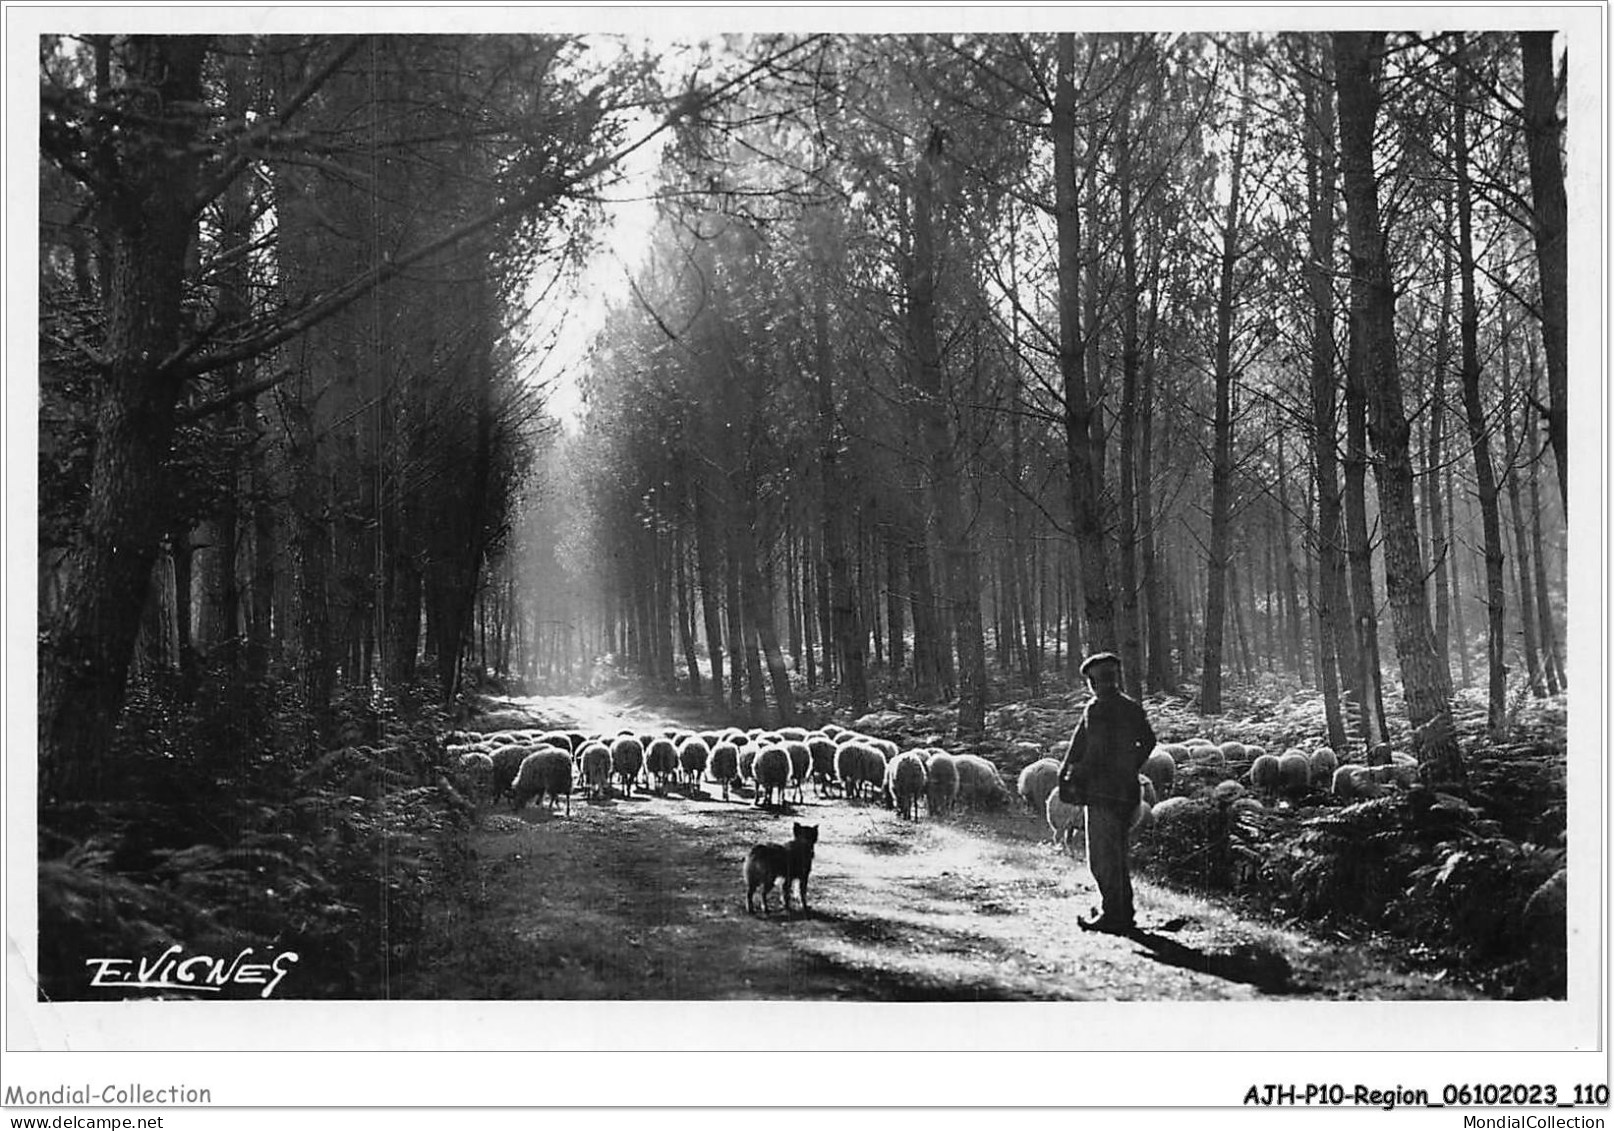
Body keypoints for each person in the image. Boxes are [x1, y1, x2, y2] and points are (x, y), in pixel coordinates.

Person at [1057, 651, 1156, 934]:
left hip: (1103, 793)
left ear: (1093, 681)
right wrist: (1130, 766)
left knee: (1102, 857)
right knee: (1116, 854)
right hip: (1124, 791)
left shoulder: (1098, 709)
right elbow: (1148, 741)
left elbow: (1087, 749)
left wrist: (1071, 774)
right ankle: (1122, 912)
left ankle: (1114, 915)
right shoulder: (1129, 707)